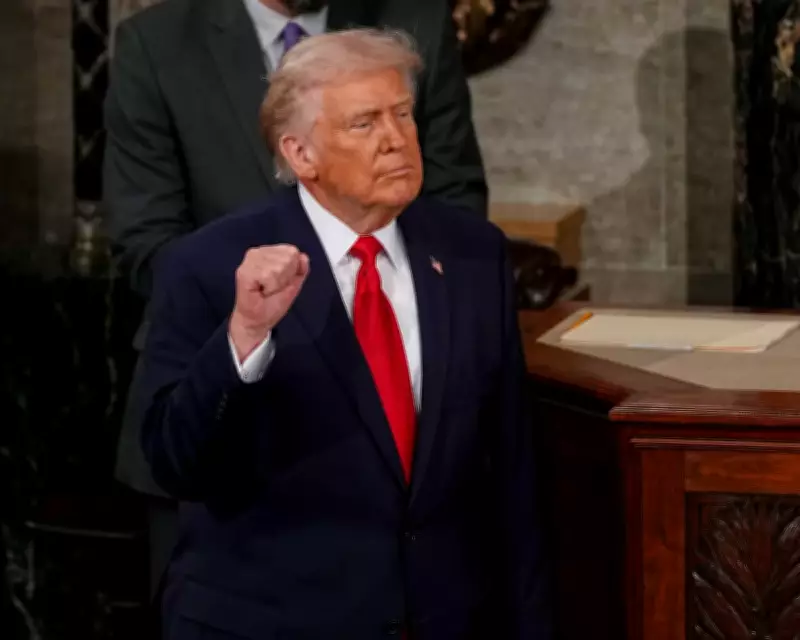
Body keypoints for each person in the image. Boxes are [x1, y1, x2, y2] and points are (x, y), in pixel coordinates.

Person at [139, 28, 549, 640]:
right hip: (272, 624)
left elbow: (512, 470)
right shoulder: (211, 265)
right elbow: (176, 463)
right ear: (301, 154)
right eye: (365, 123)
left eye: (402, 114)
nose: (396, 139)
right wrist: (244, 335)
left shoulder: (472, 254)